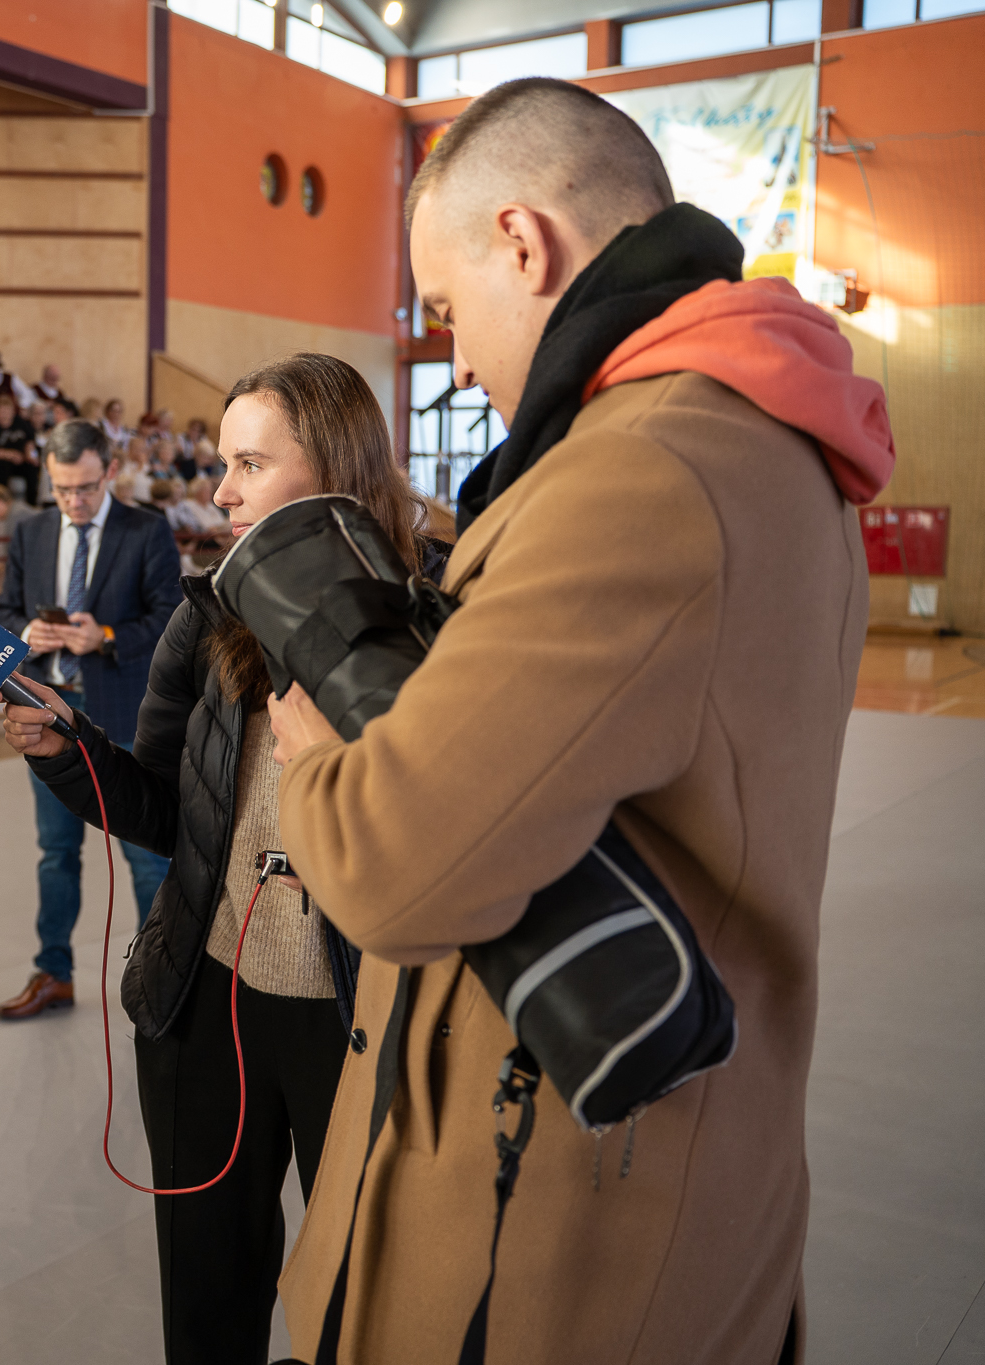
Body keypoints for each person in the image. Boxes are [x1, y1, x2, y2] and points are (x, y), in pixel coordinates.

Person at [269, 78, 895, 1365]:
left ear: (521, 242)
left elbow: (394, 868)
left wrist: (323, 760)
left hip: (550, 1214)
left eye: (446, 310)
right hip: (686, 1150)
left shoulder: (640, 467)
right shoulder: (760, 432)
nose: (454, 357)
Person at [1, 354, 436, 1362]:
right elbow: (162, 806)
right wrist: (69, 752)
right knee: (206, 1301)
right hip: (207, 1001)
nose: (221, 492)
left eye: (249, 464)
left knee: (366, 1307)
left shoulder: (437, 610)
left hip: (364, 1013)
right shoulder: (206, 617)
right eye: (220, 463)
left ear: (333, 465)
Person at [0, 419, 181, 1019]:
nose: (74, 501)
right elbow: (4, 609)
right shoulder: (31, 531)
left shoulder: (147, 529)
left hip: (125, 711)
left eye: (87, 488)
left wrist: (105, 636)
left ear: (111, 472)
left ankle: (163, 980)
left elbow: (171, 617)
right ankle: (54, 972)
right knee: (56, 851)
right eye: (63, 489)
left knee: (146, 854)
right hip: (47, 713)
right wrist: (26, 632)